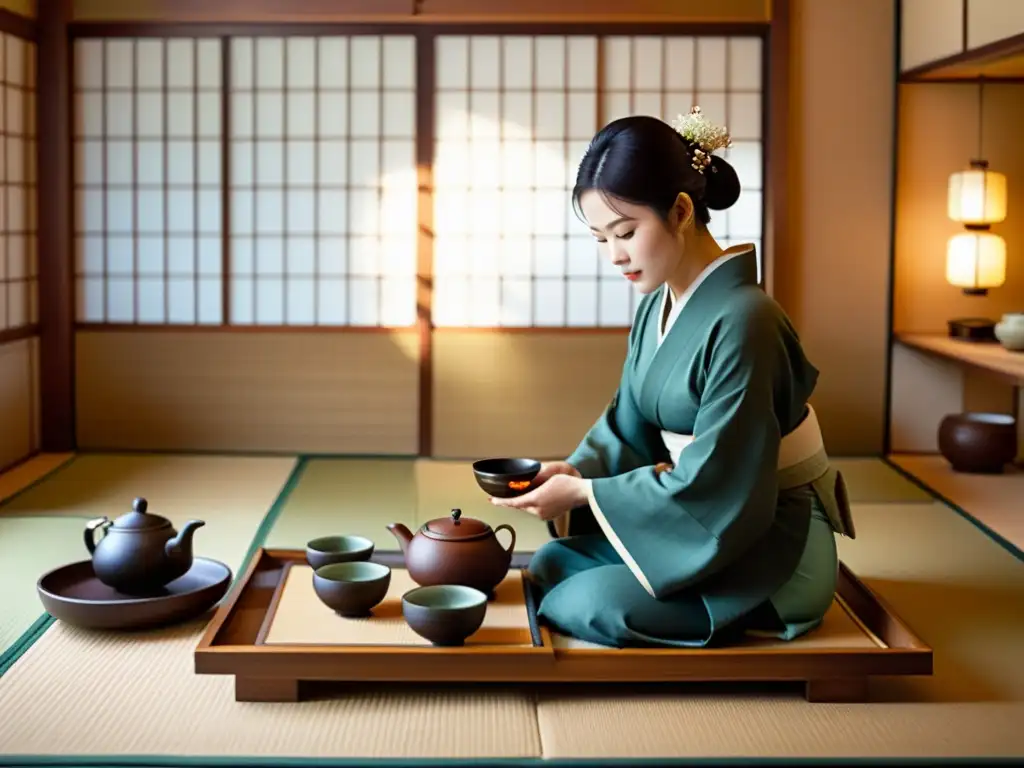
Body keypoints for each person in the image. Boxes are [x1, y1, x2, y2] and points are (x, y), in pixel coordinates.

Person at [490, 108, 856, 649]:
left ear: (682, 210)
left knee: (587, 603)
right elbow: (628, 427)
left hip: (769, 537)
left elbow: (724, 482)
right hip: (710, 520)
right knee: (551, 564)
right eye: (600, 239)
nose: (615, 256)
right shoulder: (657, 303)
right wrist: (573, 472)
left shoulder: (747, 320)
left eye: (626, 232)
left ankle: (767, 602)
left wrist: (588, 493)